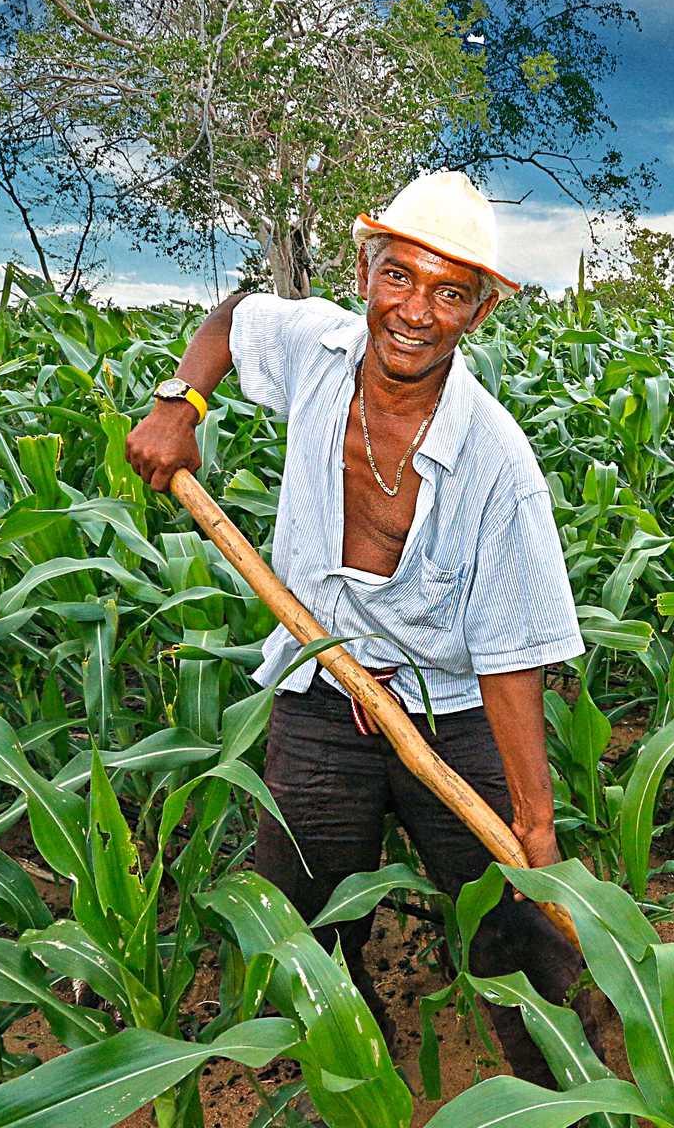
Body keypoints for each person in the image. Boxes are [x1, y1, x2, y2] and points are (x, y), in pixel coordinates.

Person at [125, 171, 585, 1083]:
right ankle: (351, 1065)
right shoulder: (317, 348)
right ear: (366, 273)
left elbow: (509, 659)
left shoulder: (496, 460)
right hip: (323, 682)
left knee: (519, 927)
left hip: (451, 710)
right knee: (300, 917)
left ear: (480, 312)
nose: (416, 311)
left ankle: (565, 1084)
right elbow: (236, 317)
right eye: (400, 278)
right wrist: (183, 399)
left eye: (450, 292)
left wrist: (534, 827)